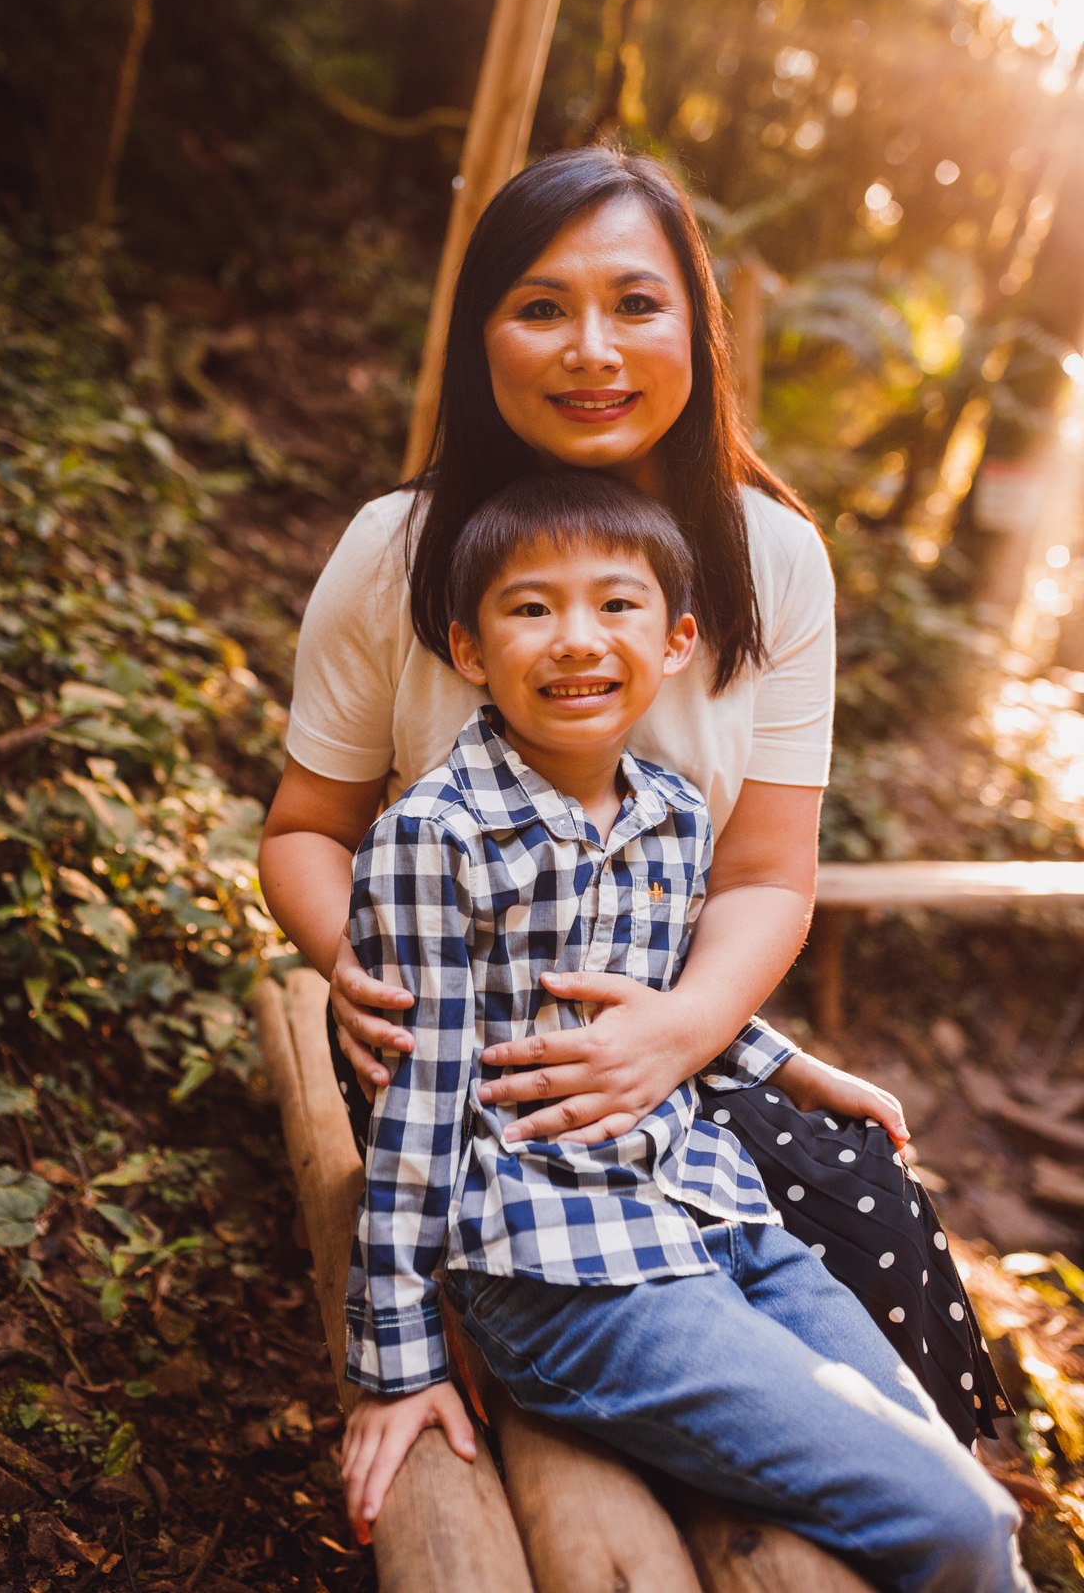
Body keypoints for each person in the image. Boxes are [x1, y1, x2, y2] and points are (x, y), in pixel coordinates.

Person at [258, 144, 1005, 1439]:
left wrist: (693, 1031)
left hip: (670, 1046)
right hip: (453, 1055)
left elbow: (768, 870)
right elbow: (305, 831)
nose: (591, 348)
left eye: (636, 304)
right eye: (541, 306)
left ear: (697, 333)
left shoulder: (774, 560)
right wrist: (354, 970)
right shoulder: (396, 551)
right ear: (481, 337)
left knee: (873, 1227)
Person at [338, 473, 1027, 1593]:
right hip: (565, 1272)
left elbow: (656, 1004)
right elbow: (413, 1114)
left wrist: (791, 1065)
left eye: (617, 605)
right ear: (467, 648)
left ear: (675, 643)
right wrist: (397, 1364)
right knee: (953, 1526)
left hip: (718, 1214)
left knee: (970, 1497)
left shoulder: (670, 813)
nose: (576, 639)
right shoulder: (433, 840)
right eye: (530, 608)